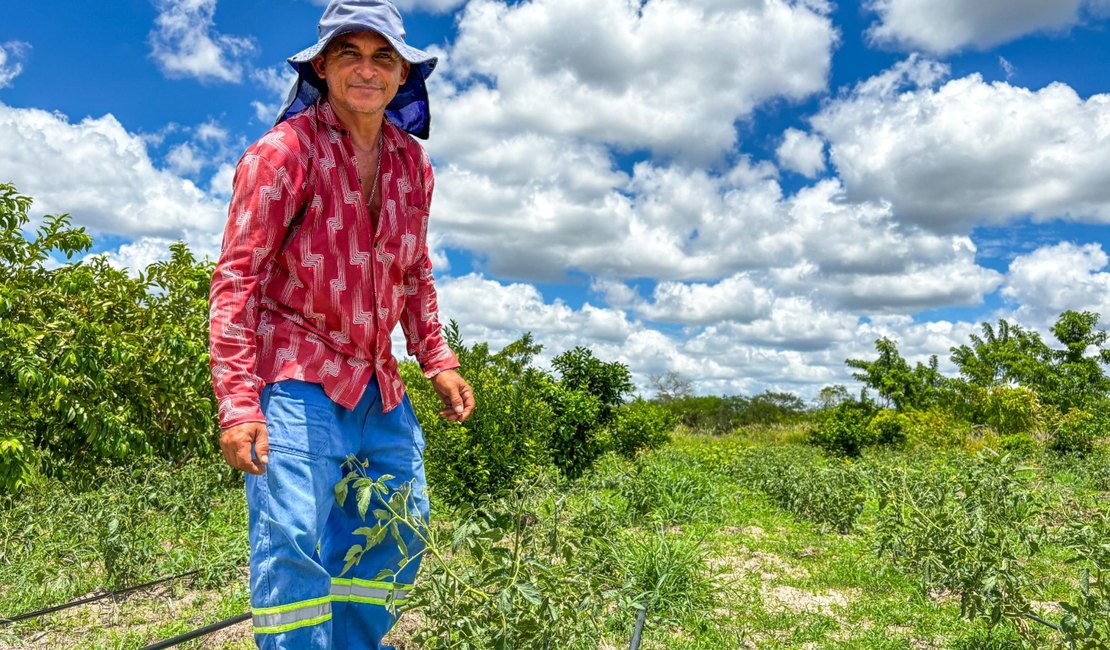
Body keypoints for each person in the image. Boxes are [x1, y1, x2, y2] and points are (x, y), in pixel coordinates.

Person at [208, 1, 473, 648]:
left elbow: (414, 270)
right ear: (322, 66)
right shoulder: (281, 154)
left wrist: (437, 359)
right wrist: (238, 402)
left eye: (384, 57)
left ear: (403, 75)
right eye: (350, 53)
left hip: (376, 382)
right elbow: (236, 281)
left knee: (399, 528)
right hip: (294, 375)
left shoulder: (413, 164)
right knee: (293, 541)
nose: (367, 69)